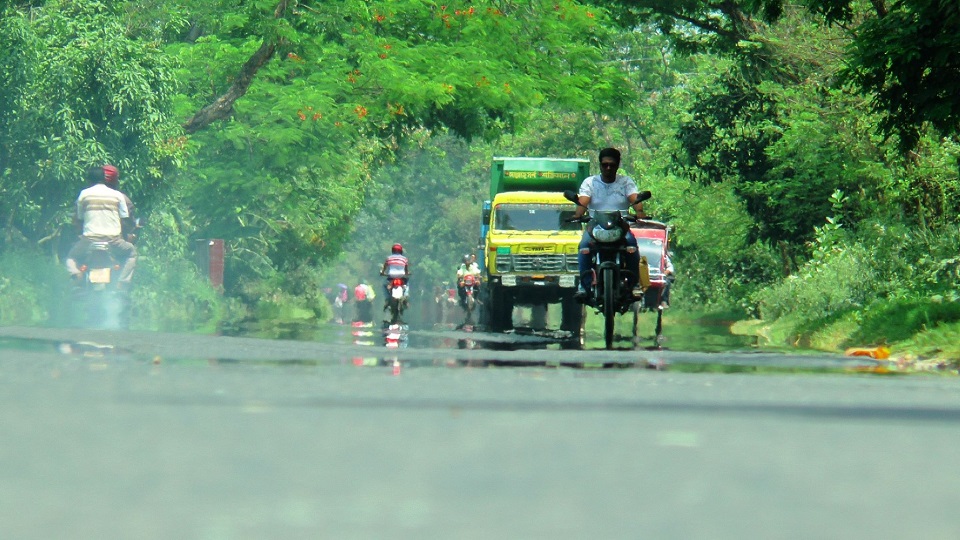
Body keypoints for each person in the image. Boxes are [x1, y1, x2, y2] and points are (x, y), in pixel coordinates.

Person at [570, 147, 645, 302]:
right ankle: (584, 286)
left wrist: (639, 211)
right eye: (605, 164)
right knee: (584, 247)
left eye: (612, 165)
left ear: (618, 165)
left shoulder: (625, 182)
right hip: (595, 226)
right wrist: (578, 214)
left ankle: (634, 284)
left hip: (620, 227)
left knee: (631, 246)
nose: (608, 168)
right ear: (600, 165)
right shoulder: (590, 182)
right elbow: (584, 200)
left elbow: (634, 198)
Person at [65, 165, 138, 289]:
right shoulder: (118, 196)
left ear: (88, 180)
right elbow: (125, 219)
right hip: (113, 240)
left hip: (89, 240)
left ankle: (76, 275)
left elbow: (79, 218)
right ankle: (122, 283)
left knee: (71, 257)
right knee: (132, 253)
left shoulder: (84, 194)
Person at [380, 243, 412, 309]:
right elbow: (406, 270)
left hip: (391, 276)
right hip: (401, 276)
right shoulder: (404, 259)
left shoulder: (389, 258)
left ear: (392, 250)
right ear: (401, 251)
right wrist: (407, 273)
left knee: (384, 285)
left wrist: (382, 273)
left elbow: (385, 267)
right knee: (407, 284)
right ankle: (405, 296)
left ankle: (387, 299)